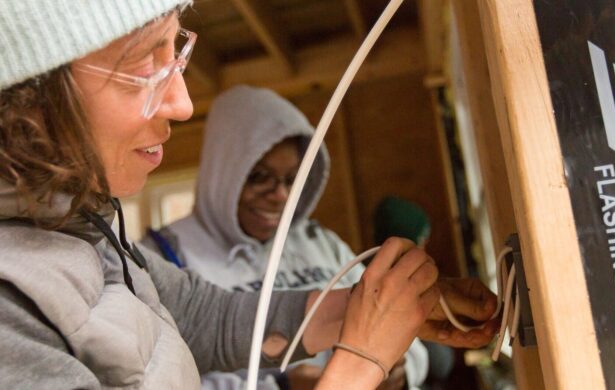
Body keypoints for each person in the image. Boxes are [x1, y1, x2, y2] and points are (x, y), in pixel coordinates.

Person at [0, 1, 498, 389]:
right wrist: (359, 364)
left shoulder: (80, 225)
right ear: (30, 94)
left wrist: (373, 309)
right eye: (143, 67)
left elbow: (202, 318)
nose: (183, 103)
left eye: (176, 53)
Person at [142, 85, 429, 389]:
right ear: (222, 173)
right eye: (259, 177)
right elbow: (159, 379)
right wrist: (281, 387)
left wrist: (398, 371)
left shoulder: (320, 242)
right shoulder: (167, 256)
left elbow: (409, 334)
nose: (280, 195)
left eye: (292, 179)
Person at [374, 196, 457, 388]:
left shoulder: (365, 277)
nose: (426, 251)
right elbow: (441, 364)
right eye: (421, 242)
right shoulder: (401, 290)